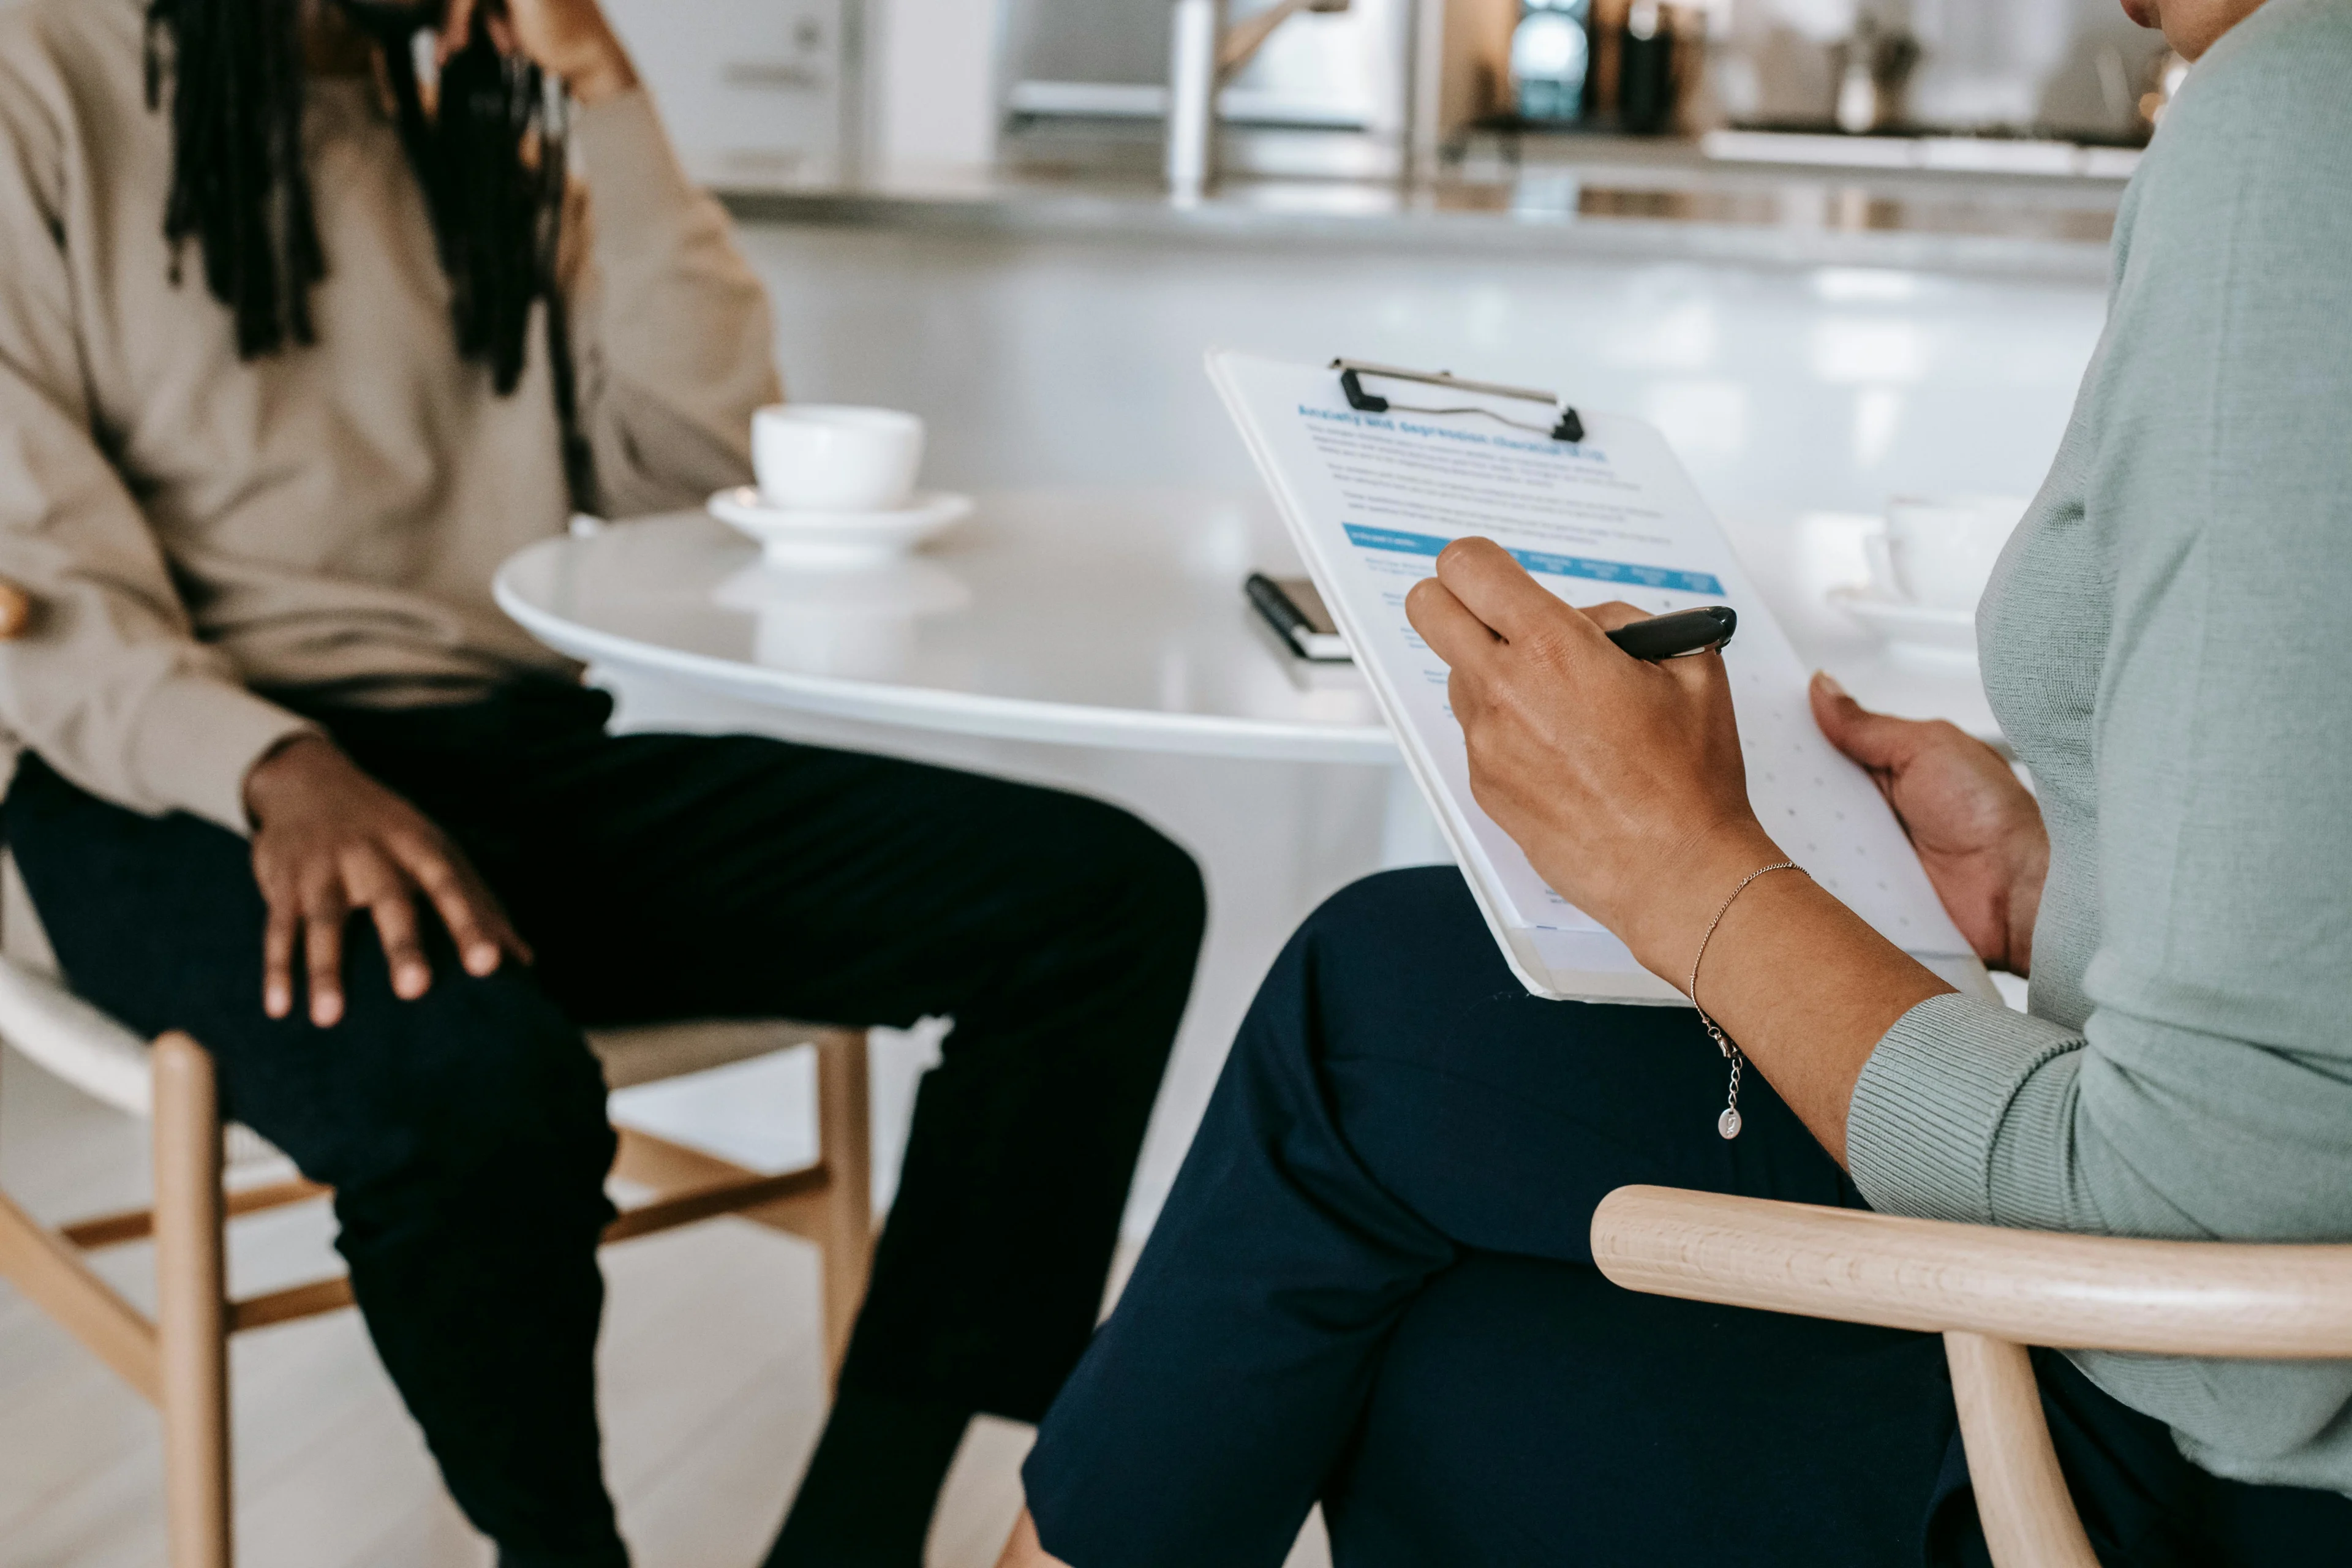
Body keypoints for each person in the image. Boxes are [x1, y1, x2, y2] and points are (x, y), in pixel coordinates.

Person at [994, 0, 2352, 1563]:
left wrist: (1686, 871)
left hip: (2223, 1475)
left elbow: (2225, 1270)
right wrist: (2052, 887)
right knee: (1418, 1236)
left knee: (1377, 1014)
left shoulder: (2300, 106)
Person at [0, 1, 1204, 1564]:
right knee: (477, 1093)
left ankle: (859, 1529)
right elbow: (27, 569)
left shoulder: (478, 123)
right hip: (163, 773)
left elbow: (692, 468)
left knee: (1101, 903)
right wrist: (268, 762)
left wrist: (612, 101)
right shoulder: (45, 66)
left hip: (503, 753)